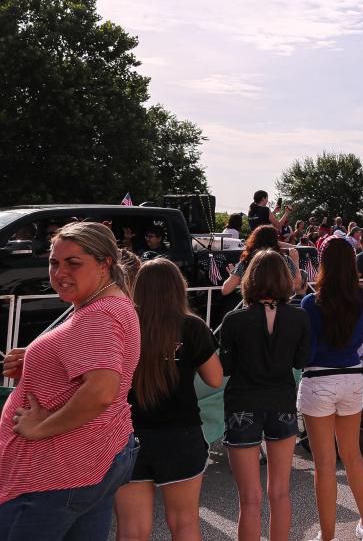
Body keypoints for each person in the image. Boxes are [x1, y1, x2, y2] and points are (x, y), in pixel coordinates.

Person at [0, 222, 140, 540]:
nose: (60, 272)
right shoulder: (109, 305)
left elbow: (102, 391)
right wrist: (38, 363)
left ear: (104, 263)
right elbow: (92, 368)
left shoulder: (98, 316)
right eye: (54, 262)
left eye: (73, 263)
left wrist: (40, 427)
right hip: (88, 462)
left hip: (53, 475)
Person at [299, 237, 363, 541]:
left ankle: (327, 535)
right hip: (352, 379)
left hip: (319, 381)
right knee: (352, 454)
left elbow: (308, 352)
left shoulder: (310, 302)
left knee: (324, 463)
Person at [116, 259, 223, 541]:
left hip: (127, 434)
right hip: (181, 433)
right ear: (178, 288)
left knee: (131, 529)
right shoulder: (192, 327)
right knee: (184, 523)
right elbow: (215, 378)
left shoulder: (123, 325)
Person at [218, 250, 311, 541]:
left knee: (249, 499)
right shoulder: (299, 317)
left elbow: (227, 368)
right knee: (280, 493)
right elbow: (300, 361)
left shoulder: (234, 320)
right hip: (281, 400)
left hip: (242, 404)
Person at [222, 225, 303, 297]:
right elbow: (297, 285)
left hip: (252, 309)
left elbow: (225, 290)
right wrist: (295, 261)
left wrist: (235, 276)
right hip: (279, 307)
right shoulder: (285, 260)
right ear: (275, 240)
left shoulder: (246, 261)